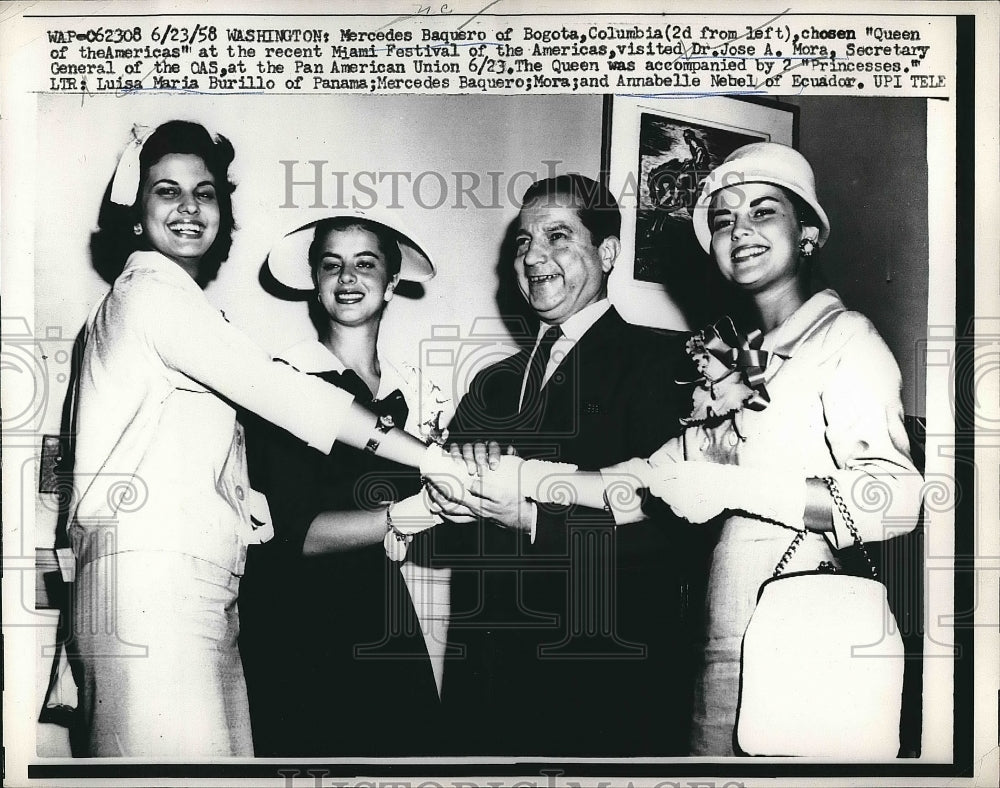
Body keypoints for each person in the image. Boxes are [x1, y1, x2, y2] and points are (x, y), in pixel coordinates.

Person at [486, 143, 923, 756]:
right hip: (725, 636)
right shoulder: (730, 361)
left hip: (808, 627)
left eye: (763, 212)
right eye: (723, 220)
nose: (739, 231)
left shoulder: (846, 340)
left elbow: (898, 500)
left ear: (807, 235)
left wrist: (727, 487)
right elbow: (640, 480)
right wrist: (517, 474)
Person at [67, 121, 466, 757]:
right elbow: (286, 397)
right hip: (157, 591)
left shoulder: (181, 307)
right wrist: (430, 463)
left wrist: (243, 499)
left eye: (206, 192)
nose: (190, 208)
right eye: (167, 191)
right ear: (135, 214)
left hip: (197, 588)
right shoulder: (151, 296)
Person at [432, 174, 694, 756]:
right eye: (524, 241)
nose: (533, 256)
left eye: (557, 236)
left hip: (602, 675)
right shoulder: (492, 383)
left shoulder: (666, 361)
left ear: (607, 252)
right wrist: (449, 491)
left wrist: (534, 521)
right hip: (488, 676)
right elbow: (436, 539)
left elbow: (673, 529)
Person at [239, 211, 452, 756]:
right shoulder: (284, 383)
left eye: (365, 264)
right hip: (298, 615)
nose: (348, 277)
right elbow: (297, 533)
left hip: (379, 607)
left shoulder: (415, 391)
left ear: (392, 282)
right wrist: (415, 511)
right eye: (331, 265)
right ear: (314, 281)